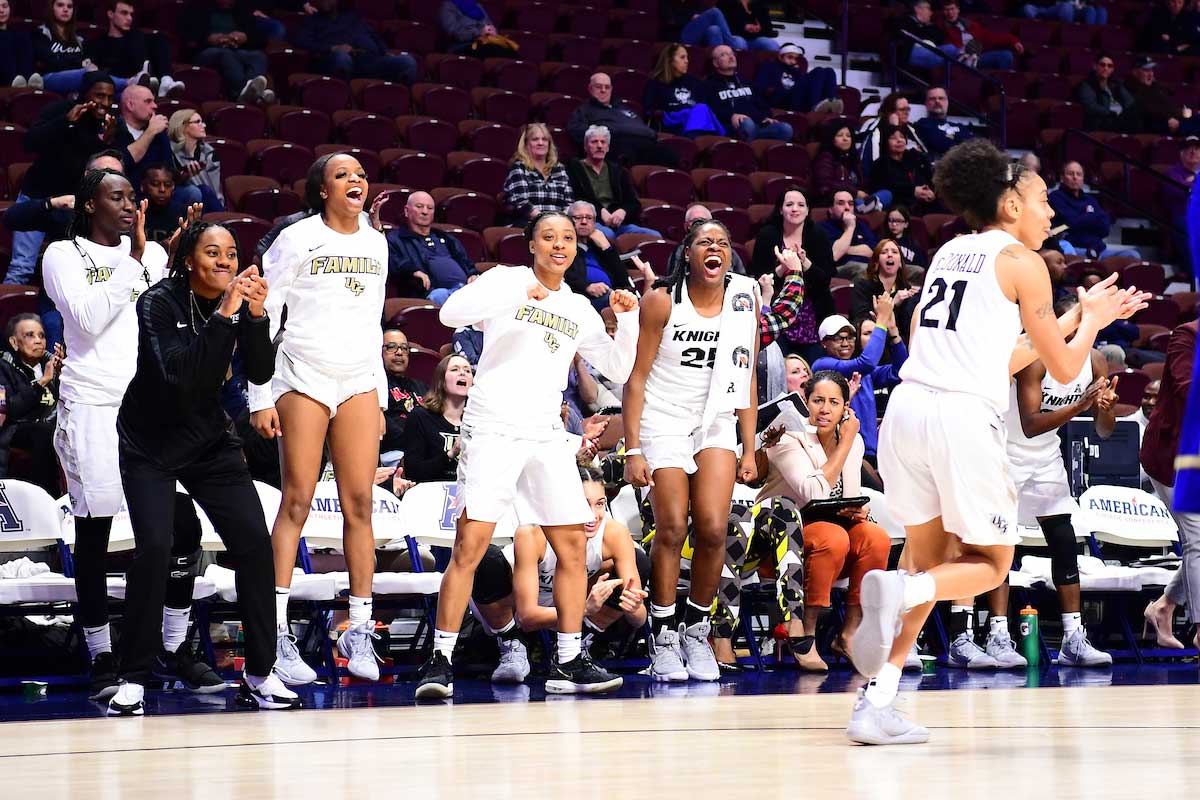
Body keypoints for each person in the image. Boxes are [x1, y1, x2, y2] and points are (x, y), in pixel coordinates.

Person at [844, 138, 1148, 745]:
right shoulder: (1022, 261)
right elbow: (1064, 371)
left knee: (929, 558)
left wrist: (1071, 319)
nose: (1049, 213)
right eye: (1040, 201)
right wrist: (1092, 321)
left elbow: (1004, 356)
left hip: (908, 409)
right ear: (1009, 203)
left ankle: (876, 703)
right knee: (987, 565)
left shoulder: (951, 252)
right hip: (960, 417)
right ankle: (904, 589)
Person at [415, 211, 640, 699]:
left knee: (574, 546)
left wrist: (627, 320)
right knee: (469, 546)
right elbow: (448, 314)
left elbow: (619, 368)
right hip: (494, 426)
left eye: (567, 238)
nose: (559, 245)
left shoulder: (579, 307)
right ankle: (440, 660)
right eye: (548, 237)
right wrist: (516, 294)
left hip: (544, 433)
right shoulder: (507, 280)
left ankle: (567, 661)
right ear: (531, 245)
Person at [107, 220, 301, 716]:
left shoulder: (236, 304)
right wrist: (229, 314)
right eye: (212, 252)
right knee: (154, 547)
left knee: (255, 547)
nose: (225, 262)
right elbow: (181, 378)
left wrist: (256, 317)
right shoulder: (157, 303)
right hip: (149, 441)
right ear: (189, 259)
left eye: (232, 254)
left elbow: (258, 372)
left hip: (208, 439)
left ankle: (260, 674)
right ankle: (131, 678)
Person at [43, 169, 219, 702]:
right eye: (115, 197)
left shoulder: (154, 257)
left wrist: (176, 260)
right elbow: (91, 318)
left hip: (150, 408)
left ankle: (174, 643)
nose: (128, 205)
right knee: (95, 536)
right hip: (92, 405)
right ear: (89, 204)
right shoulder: (62, 255)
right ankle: (99, 653)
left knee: (182, 530)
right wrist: (138, 261)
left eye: (130, 196)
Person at [250, 153, 389, 686]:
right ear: (322, 190)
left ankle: (358, 630)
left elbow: (374, 320)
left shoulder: (376, 241)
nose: (355, 180)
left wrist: (377, 393)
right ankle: (277, 634)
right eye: (342, 175)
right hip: (302, 373)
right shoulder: (296, 238)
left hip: (356, 378)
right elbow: (265, 316)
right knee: (297, 500)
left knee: (360, 503)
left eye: (359, 174)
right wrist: (259, 394)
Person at [623, 218, 759, 683]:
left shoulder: (744, 299)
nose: (715, 248)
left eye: (723, 241)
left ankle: (697, 631)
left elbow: (747, 375)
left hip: (716, 417)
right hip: (663, 416)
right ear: (688, 253)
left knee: (715, 528)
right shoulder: (663, 299)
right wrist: (633, 448)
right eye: (706, 242)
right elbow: (636, 377)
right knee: (673, 526)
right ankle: (662, 635)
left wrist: (749, 447)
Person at [967, 299, 1116, 671]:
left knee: (1065, 540)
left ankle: (1073, 638)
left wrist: (1106, 407)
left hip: (1047, 457)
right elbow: (1031, 423)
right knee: (1002, 544)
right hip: (1007, 452)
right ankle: (997, 635)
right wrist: (1081, 404)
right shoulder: (1034, 359)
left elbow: (1103, 430)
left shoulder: (1095, 362)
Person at [755, 370, 891, 670]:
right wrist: (846, 443)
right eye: (818, 401)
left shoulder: (852, 443)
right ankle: (806, 633)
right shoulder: (788, 439)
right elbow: (814, 492)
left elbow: (846, 495)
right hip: (781, 540)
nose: (825, 409)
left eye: (833, 402)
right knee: (833, 536)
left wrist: (857, 511)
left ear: (846, 408)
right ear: (806, 402)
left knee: (875, 537)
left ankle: (849, 634)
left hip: (829, 532)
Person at [470, 466, 650, 683]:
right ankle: (510, 643)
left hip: (567, 608)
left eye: (600, 504)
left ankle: (575, 646)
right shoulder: (532, 532)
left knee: (639, 561)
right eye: (584, 504)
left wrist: (632, 608)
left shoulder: (614, 534)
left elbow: (639, 618)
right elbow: (527, 617)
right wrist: (584, 609)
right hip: (512, 607)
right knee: (485, 558)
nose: (593, 515)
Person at [8, 72, 118, 286]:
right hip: (40, 198)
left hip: (73, 207)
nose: (105, 103)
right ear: (84, 94)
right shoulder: (59, 110)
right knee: (21, 268)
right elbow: (29, 143)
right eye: (99, 96)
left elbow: (114, 166)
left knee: (74, 271)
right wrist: (65, 122)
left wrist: (108, 140)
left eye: (110, 97)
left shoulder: (111, 124)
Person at [1141, 321, 1199, 651]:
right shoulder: (1187, 335)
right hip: (1173, 455)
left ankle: (1162, 607)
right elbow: (1187, 388)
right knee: (1199, 539)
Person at [811, 303, 907, 466]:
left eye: (849, 337)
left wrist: (893, 333)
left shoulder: (862, 372)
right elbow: (867, 362)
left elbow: (901, 370)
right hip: (846, 452)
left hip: (873, 450)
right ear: (824, 343)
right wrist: (881, 323)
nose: (845, 343)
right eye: (838, 338)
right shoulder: (822, 365)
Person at [750, 187, 836, 363]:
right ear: (781, 209)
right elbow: (759, 281)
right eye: (789, 204)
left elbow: (824, 281)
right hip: (776, 314)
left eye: (800, 205)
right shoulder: (767, 235)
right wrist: (783, 268)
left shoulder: (819, 236)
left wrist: (804, 263)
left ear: (807, 210)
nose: (795, 209)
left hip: (812, 317)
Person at [0, 314, 62, 495]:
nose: (38, 341)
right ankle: (47, 497)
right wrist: (42, 382)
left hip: (52, 425)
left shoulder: (51, 364)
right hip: (17, 429)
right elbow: (11, 410)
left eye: (42, 336)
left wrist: (65, 375)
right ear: (14, 342)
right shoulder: (4, 366)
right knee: (44, 433)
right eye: (30, 335)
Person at [115, 85, 204, 209]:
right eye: (148, 101)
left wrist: (183, 175)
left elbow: (168, 170)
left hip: (159, 194)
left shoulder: (159, 135)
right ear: (130, 105)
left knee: (195, 192)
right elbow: (122, 163)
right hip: (128, 193)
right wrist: (150, 131)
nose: (155, 106)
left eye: (154, 101)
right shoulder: (114, 130)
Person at [565, 126, 660, 240]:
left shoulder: (618, 170)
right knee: (608, 235)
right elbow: (577, 198)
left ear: (608, 147)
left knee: (655, 236)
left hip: (619, 224)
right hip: (591, 221)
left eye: (603, 142)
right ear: (585, 147)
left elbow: (633, 203)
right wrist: (600, 212)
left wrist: (623, 211)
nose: (599, 146)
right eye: (594, 142)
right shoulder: (574, 168)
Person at [567, 73, 679, 167]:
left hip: (645, 143)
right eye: (598, 87)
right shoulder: (584, 110)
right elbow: (576, 130)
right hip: (617, 144)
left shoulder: (624, 109)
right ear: (590, 89)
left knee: (670, 155)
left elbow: (642, 127)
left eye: (607, 87)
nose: (603, 90)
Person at [386, 191, 478, 304]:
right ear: (406, 210)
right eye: (419, 207)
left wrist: (472, 274)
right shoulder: (396, 238)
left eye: (430, 208)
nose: (425, 212)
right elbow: (393, 261)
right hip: (432, 294)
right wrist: (412, 271)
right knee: (440, 295)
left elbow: (465, 261)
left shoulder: (446, 237)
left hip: (464, 289)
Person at [293, 0, 416, 84]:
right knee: (342, 58)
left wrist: (385, 52)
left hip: (371, 60)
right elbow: (302, 41)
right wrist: (332, 48)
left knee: (407, 60)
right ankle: (345, 94)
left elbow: (375, 36)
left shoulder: (353, 16)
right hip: (342, 60)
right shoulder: (313, 20)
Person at [29, 0, 132, 95]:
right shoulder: (41, 33)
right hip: (50, 78)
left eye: (69, 6)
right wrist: (78, 63)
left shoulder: (78, 39)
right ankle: (129, 82)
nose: (65, 9)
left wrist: (80, 63)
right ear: (51, 8)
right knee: (89, 74)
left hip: (79, 78)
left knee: (119, 94)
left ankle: (131, 87)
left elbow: (84, 60)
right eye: (60, 5)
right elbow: (50, 62)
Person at [179, 0, 272, 103]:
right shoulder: (198, 7)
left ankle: (251, 90)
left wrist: (245, 37)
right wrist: (208, 39)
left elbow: (260, 38)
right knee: (226, 54)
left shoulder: (241, 9)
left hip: (237, 48)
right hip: (206, 50)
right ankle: (240, 92)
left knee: (259, 56)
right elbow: (188, 38)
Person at [84, 0, 182, 96]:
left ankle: (166, 80)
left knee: (160, 39)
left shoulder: (138, 38)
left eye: (131, 14)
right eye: (124, 13)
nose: (129, 18)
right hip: (115, 87)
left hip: (140, 83)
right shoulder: (97, 43)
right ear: (110, 14)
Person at [1049, 161, 1141, 260]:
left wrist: (1083, 219)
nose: (1075, 177)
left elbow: (1105, 229)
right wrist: (1091, 217)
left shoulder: (1090, 199)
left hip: (1098, 249)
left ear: (1083, 178)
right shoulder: (1055, 197)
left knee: (1132, 255)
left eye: (1079, 174)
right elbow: (1070, 223)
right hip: (1074, 249)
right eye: (1070, 174)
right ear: (1062, 178)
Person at [401, 353, 471, 483]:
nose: (463, 373)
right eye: (455, 369)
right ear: (441, 380)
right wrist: (451, 453)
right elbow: (413, 471)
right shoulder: (420, 417)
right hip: (431, 493)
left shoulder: (477, 422)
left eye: (467, 370)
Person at [704, 46, 793, 142]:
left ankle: (753, 141)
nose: (731, 57)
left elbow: (763, 105)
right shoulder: (709, 84)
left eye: (732, 54)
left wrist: (766, 117)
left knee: (785, 128)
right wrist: (731, 116)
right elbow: (711, 109)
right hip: (733, 126)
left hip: (757, 125)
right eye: (723, 55)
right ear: (715, 63)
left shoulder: (746, 82)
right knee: (747, 124)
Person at [565, 201, 638, 307]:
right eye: (578, 217)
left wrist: (607, 248)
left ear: (594, 223)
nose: (584, 221)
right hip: (581, 299)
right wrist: (586, 286)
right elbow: (561, 274)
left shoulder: (599, 246)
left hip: (610, 295)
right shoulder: (563, 246)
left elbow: (623, 279)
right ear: (568, 221)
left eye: (589, 218)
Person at [643, 43, 724, 138]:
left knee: (701, 109)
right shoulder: (655, 82)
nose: (687, 61)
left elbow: (704, 106)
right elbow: (649, 110)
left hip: (696, 122)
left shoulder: (694, 81)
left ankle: (694, 139)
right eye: (682, 57)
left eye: (687, 58)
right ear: (670, 60)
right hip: (672, 124)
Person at [501, 123, 575, 224]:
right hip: (527, 224)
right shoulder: (519, 168)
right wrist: (546, 222)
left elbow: (569, 203)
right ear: (526, 144)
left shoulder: (559, 168)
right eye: (535, 139)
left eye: (544, 139)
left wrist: (561, 221)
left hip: (558, 224)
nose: (541, 143)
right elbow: (522, 203)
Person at [850, 239, 921, 337]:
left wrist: (917, 300)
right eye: (884, 252)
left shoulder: (905, 288)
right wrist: (893, 303)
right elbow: (861, 320)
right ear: (876, 262)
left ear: (900, 263)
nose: (890, 255)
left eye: (895, 252)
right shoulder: (862, 285)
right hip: (872, 338)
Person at [812, 120, 887, 210]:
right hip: (836, 201)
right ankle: (868, 206)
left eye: (848, 136)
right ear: (832, 139)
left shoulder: (853, 159)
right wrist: (855, 193)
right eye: (840, 135)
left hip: (858, 199)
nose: (845, 138)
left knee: (886, 193)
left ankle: (869, 205)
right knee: (857, 202)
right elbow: (825, 185)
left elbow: (863, 184)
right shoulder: (825, 158)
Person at [379, 327, 426, 466]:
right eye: (391, 347)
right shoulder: (375, 386)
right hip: (392, 453)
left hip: (421, 453)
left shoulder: (422, 387)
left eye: (404, 348)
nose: (399, 352)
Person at [753, 43, 841, 115]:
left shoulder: (794, 69)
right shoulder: (769, 66)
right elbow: (759, 86)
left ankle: (831, 102)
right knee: (818, 71)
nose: (793, 61)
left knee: (828, 70)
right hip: (782, 99)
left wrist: (796, 71)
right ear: (780, 57)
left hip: (798, 97)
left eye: (795, 58)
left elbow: (803, 84)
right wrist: (774, 90)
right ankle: (815, 106)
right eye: (790, 57)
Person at [936, 0, 1021, 71]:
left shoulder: (972, 26)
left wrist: (1013, 40)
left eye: (952, 9)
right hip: (960, 60)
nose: (950, 13)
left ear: (958, 10)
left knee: (1006, 55)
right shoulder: (941, 28)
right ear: (943, 12)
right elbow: (945, 48)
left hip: (977, 58)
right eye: (946, 10)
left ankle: (1004, 84)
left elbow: (992, 36)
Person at [870, 125, 938, 213]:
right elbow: (886, 189)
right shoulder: (880, 164)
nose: (899, 140)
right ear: (885, 142)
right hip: (898, 205)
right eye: (893, 138)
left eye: (902, 137)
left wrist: (930, 191)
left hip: (925, 202)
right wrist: (912, 191)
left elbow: (929, 178)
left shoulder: (916, 157)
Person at [168, 109, 226, 213]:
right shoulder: (169, 151)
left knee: (205, 190)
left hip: (208, 201)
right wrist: (184, 176)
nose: (204, 125)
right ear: (183, 126)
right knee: (199, 191)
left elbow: (215, 189)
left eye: (202, 122)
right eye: (198, 122)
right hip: (179, 201)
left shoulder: (209, 153)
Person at [859, 92, 927, 176]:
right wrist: (894, 127)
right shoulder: (877, 131)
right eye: (902, 109)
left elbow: (923, 154)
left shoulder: (911, 129)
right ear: (890, 112)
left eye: (908, 109)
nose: (907, 113)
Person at [820, 190, 879, 278]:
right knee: (861, 268)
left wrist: (844, 249)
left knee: (903, 269)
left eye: (851, 204)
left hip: (867, 265)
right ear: (831, 209)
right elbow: (835, 255)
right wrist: (850, 228)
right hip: (840, 268)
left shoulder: (862, 224)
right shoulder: (822, 227)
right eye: (841, 203)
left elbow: (874, 252)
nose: (847, 207)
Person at [1074, 54, 1138, 133]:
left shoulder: (1116, 83)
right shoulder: (1087, 84)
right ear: (1095, 66)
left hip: (1119, 118)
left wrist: (1123, 112)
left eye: (1109, 66)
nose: (1106, 68)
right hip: (1101, 121)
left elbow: (1130, 101)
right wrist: (1112, 113)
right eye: (1102, 65)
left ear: (1112, 69)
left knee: (1136, 120)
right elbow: (1090, 106)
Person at [913, 86, 977, 160]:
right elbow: (941, 144)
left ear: (947, 102)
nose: (937, 101)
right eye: (932, 99)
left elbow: (974, 145)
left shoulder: (959, 126)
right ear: (926, 104)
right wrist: (957, 138)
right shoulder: (922, 124)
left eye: (941, 98)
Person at [896, 0, 960, 71]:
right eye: (928, 9)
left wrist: (928, 24)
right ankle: (963, 59)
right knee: (950, 54)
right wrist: (922, 25)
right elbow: (904, 37)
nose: (931, 12)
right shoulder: (905, 21)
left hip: (930, 51)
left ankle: (964, 58)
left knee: (951, 48)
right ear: (918, 9)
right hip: (913, 52)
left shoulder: (927, 25)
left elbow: (941, 37)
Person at [660, 0, 742, 49]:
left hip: (696, 33)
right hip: (679, 34)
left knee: (714, 29)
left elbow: (703, 10)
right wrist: (691, 18)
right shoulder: (666, 1)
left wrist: (698, 17)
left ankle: (720, 64)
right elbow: (670, 21)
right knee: (715, 12)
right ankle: (733, 45)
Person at [139, 163, 181, 244]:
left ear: (173, 187)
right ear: (143, 186)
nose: (162, 189)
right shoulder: (135, 212)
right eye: (155, 184)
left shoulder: (182, 213)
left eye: (167, 185)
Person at [1, 0, 35, 88]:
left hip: (21, 79)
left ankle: (27, 81)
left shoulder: (19, 34)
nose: (1, 10)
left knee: (22, 36)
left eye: (4, 6)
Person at [882, 205, 928, 269]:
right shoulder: (882, 242)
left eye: (898, 221)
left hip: (908, 272)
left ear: (906, 224)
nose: (894, 224)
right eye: (891, 221)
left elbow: (922, 267)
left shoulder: (913, 245)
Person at [1021, 0, 1106, 23]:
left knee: (1100, 11)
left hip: (1079, 9)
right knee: (1066, 7)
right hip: (1057, 7)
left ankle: (1091, 39)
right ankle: (1068, 32)